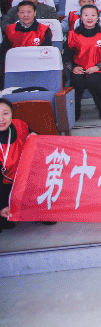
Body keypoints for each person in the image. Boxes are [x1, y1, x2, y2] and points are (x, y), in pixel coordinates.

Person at [64, 4, 101, 121]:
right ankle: (75, 114)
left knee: (93, 81)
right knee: (77, 81)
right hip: (80, 68)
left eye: (93, 15)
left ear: (97, 18)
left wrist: (98, 67)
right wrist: (73, 68)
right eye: (86, 15)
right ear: (81, 18)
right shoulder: (72, 35)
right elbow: (66, 56)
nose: (89, 18)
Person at [0, 97, 32, 230]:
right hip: (4, 184)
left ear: (12, 114)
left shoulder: (19, 125)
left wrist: (35, 135)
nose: (1, 119)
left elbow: (35, 135)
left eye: (5, 113)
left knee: (44, 212)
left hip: (27, 178)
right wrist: (2, 205)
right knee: (7, 224)